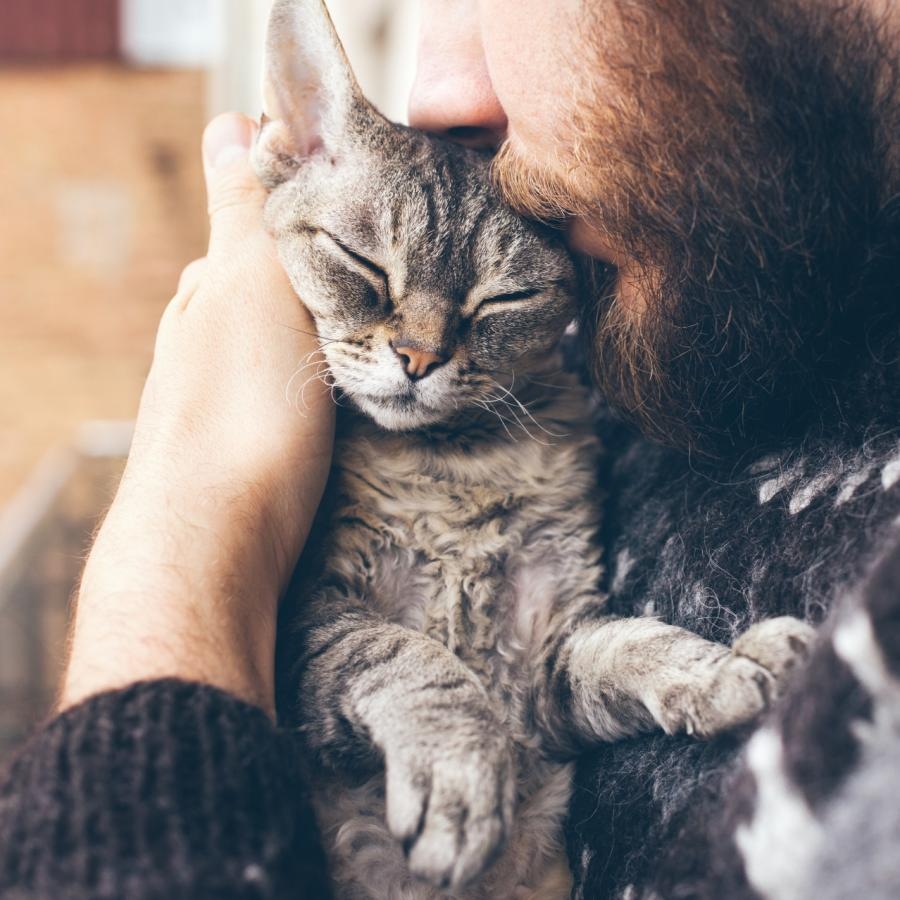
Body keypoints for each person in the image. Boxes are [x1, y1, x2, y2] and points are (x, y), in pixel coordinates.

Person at [2, 0, 899, 897]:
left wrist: (685, 674)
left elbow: (545, 670)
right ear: (296, 146)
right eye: (364, 275)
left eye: (500, 305)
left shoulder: (573, 382)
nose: (419, 350)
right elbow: (310, 657)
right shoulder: (329, 435)